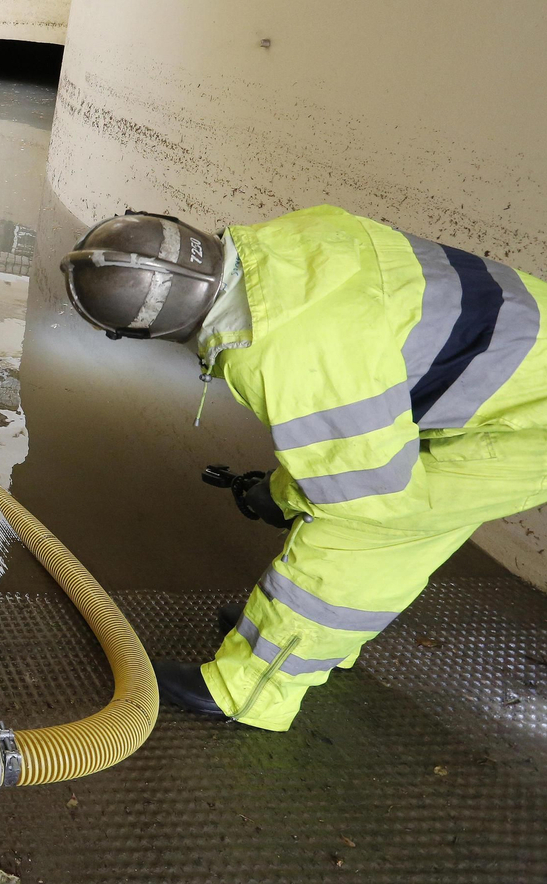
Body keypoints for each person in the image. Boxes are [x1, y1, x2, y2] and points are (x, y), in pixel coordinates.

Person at [59, 204, 547, 731]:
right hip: (511, 370)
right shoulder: (289, 246)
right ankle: (302, 640)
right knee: (394, 516)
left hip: (527, 426)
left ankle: (252, 689)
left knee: (364, 538)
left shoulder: (277, 353)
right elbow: (367, 425)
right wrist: (281, 491)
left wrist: (290, 495)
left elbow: (366, 497)